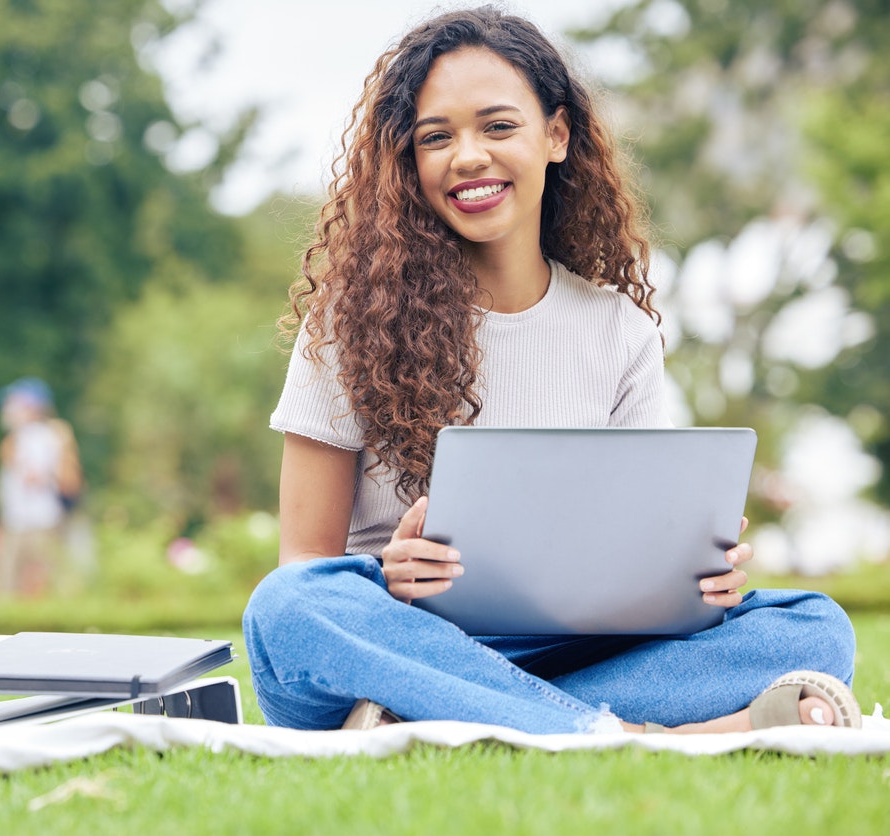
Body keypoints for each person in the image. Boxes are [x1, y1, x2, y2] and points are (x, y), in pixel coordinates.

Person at [242, 6, 861, 735]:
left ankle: (465, 720)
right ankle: (626, 732)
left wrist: (697, 581)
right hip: (390, 643)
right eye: (435, 137)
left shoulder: (617, 332)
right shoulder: (348, 319)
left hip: (565, 653)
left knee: (814, 626)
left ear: (556, 136)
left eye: (497, 127)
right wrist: (388, 581)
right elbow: (301, 567)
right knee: (285, 611)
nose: (467, 156)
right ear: (408, 160)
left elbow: (638, 548)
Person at [0, 377, 83, 596]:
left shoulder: (43, 436)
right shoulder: (20, 437)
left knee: (41, 579)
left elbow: (46, 477)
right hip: (17, 519)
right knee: (8, 579)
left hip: (39, 519)